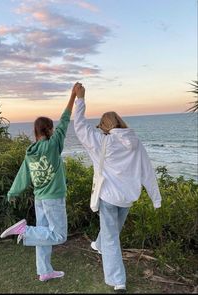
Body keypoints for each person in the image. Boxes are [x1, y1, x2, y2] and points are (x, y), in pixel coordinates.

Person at [73, 84, 162, 293]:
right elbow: (147, 170)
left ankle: (117, 281)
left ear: (104, 125)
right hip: (127, 197)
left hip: (108, 197)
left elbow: (79, 126)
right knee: (112, 233)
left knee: (112, 237)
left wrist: (80, 99)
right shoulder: (135, 142)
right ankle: (99, 245)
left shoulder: (100, 142)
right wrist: (155, 198)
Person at [0, 82, 80, 282]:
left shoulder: (30, 152)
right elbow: (65, 119)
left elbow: (23, 174)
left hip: (40, 199)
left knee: (44, 234)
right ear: (50, 130)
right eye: (54, 129)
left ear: (36, 132)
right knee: (59, 235)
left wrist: (12, 192)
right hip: (53, 198)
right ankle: (24, 231)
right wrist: (73, 96)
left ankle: (44, 271)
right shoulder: (53, 145)